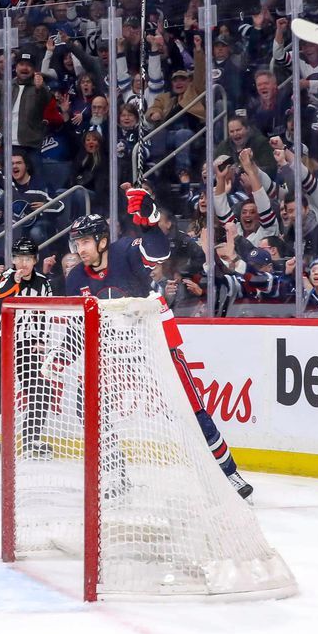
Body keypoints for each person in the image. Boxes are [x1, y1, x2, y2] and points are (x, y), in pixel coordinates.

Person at [65, 188, 254, 499]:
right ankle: (116, 472)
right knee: (88, 406)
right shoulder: (75, 279)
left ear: (101, 240)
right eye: (77, 243)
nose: (80, 248)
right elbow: (78, 326)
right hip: (113, 351)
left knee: (192, 409)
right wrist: (63, 354)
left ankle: (228, 473)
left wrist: (151, 222)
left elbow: (158, 254)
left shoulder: (125, 251)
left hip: (153, 342)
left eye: (85, 241)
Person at [0, 238, 52, 454]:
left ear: (35, 260)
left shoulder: (43, 283)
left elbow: (43, 313)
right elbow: (1, 295)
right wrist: (16, 280)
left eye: (28, 258)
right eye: (19, 258)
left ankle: (31, 438)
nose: (24, 262)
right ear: (13, 259)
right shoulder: (6, 277)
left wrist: (41, 339)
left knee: (40, 389)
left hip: (23, 344)